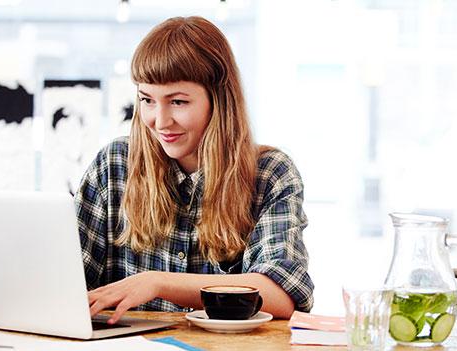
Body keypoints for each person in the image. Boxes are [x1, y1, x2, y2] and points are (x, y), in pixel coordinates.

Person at [75, 16, 314, 324]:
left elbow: (281, 294)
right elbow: (65, 281)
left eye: (177, 102)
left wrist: (157, 283)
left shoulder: (270, 173)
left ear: (218, 101)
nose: (160, 121)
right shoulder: (114, 165)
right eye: (147, 100)